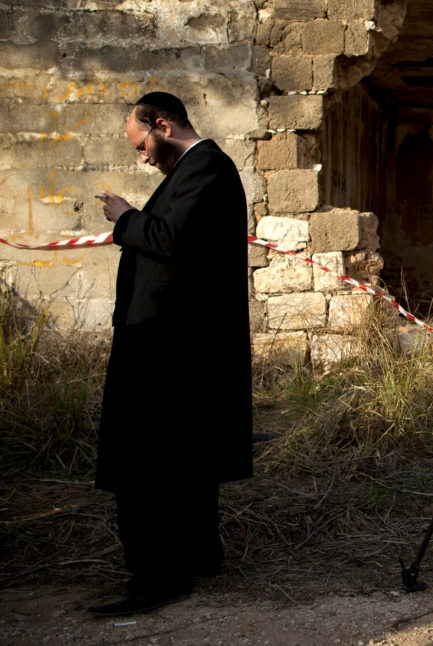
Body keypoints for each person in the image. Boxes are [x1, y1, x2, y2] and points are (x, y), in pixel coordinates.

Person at [88, 92, 253, 616]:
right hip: (175, 349)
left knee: (151, 465)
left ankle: (156, 578)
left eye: (141, 144)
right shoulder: (197, 171)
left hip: (169, 351)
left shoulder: (206, 168)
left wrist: (125, 218)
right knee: (184, 462)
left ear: (162, 124)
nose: (142, 156)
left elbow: (171, 240)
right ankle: (195, 557)